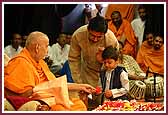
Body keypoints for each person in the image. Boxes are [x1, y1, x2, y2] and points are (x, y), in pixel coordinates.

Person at [4, 31, 96, 111]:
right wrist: (48, 89)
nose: (48, 50)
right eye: (47, 46)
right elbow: (24, 94)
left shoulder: (40, 62)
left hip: (49, 98)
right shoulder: (20, 62)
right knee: (62, 110)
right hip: (40, 101)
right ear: (37, 48)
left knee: (79, 105)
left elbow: (54, 83)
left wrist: (80, 86)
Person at [68, 15, 119, 88]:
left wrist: (103, 59)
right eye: (92, 35)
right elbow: (73, 59)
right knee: (86, 94)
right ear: (88, 29)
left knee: (104, 97)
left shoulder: (111, 39)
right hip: (87, 71)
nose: (95, 39)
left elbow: (115, 61)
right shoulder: (78, 35)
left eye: (99, 37)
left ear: (104, 33)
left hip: (106, 72)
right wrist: (79, 83)